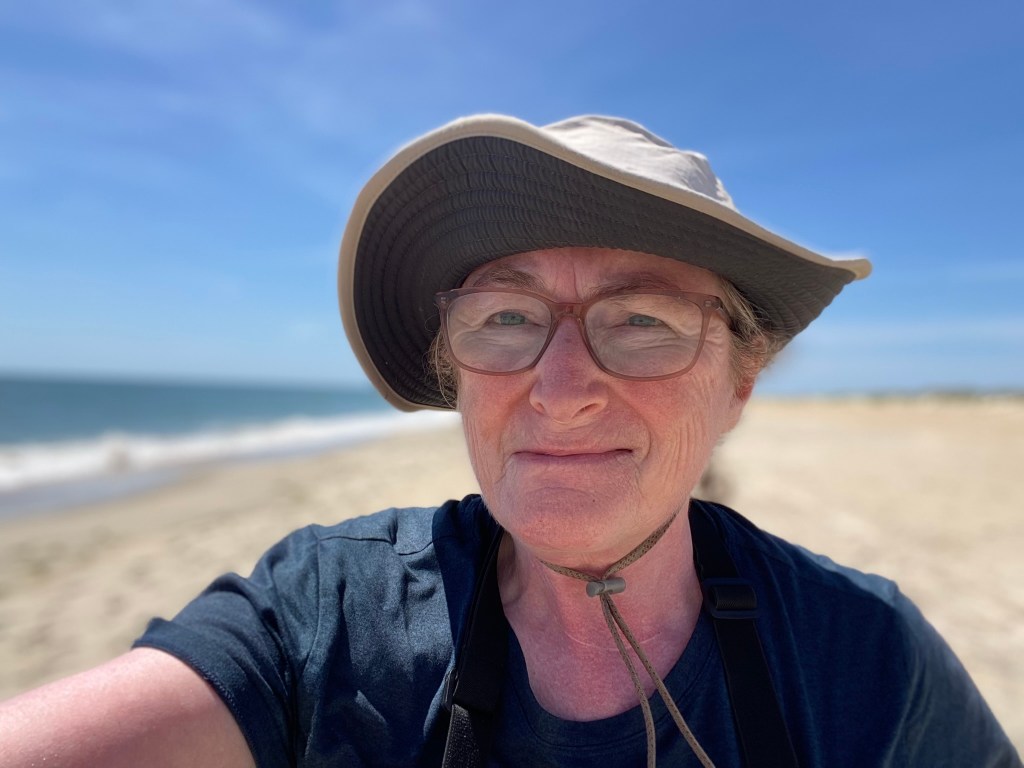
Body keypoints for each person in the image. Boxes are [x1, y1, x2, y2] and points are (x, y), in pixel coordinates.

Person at [0, 114, 1018, 768]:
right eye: (504, 318)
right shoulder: (329, 615)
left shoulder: (860, 654)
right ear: (456, 373)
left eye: (644, 320)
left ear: (738, 385)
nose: (561, 390)